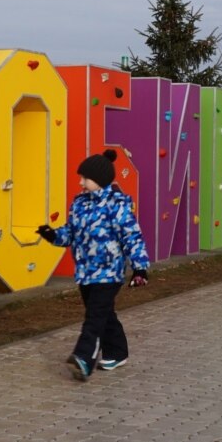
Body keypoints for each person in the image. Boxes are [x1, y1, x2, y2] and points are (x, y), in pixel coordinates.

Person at [37, 149, 151, 382]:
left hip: (109, 273)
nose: (80, 182)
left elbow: (132, 236)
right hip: (85, 272)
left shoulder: (117, 205)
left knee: (95, 316)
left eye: (84, 178)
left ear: (98, 180)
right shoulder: (79, 203)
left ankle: (83, 358)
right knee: (104, 313)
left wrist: (140, 267)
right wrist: (52, 235)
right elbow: (71, 232)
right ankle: (118, 352)